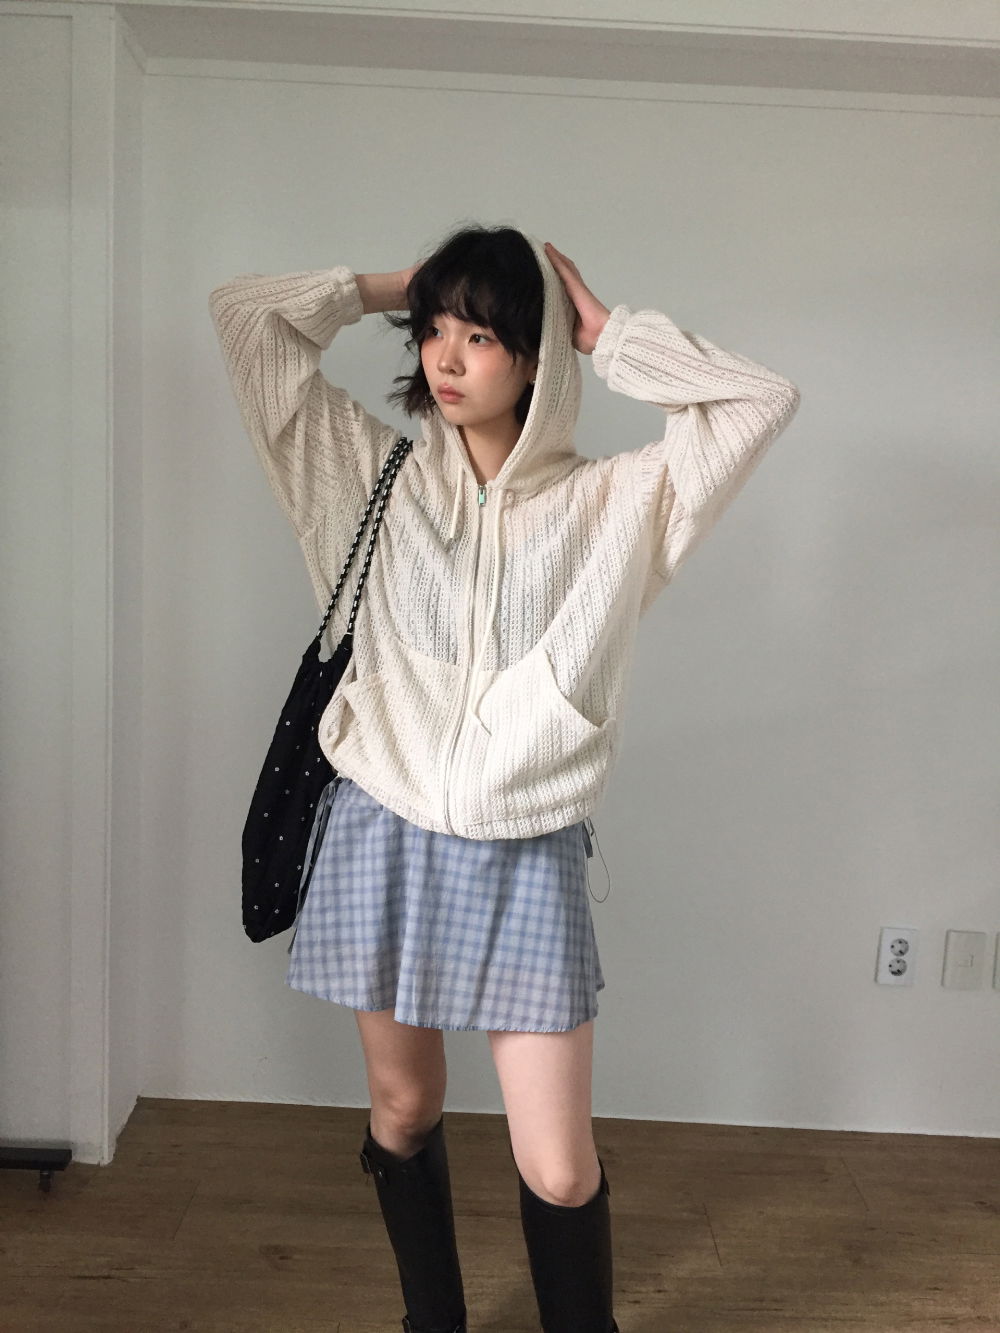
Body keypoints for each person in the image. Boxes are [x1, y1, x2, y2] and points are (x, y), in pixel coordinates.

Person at [208, 225, 800, 1333]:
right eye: (433, 330)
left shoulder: (616, 502)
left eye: (479, 334)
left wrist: (607, 333)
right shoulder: (366, 473)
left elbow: (756, 402)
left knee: (559, 1162)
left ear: (535, 356)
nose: (445, 354)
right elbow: (245, 317)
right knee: (403, 1107)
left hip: (525, 842)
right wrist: (399, 284)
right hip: (382, 824)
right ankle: (430, 1320)